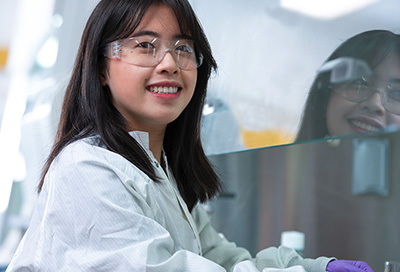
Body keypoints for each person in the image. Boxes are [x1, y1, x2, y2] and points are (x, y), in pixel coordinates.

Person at [6, 0, 374, 271]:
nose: (169, 63)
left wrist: (312, 268)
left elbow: (219, 259)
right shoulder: (86, 169)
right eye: (145, 45)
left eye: (183, 48)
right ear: (102, 67)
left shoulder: (161, 174)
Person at [296, 30, 400, 142]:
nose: (375, 104)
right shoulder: (281, 159)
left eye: (397, 93)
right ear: (324, 97)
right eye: (360, 83)